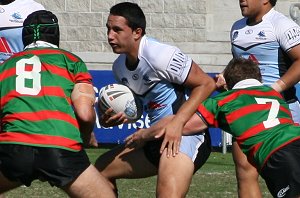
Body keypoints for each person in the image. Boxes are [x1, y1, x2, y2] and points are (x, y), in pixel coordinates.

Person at [127, 57, 300, 198]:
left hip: (278, 155)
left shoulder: (223, 101)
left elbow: (179, 124)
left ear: (228, 83)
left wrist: (144, 134)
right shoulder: (273, 93)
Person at [95, 2, 216, 197]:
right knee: (99, 171)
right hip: (153, 137)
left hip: (184, 135)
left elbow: (206, 84)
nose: (110, 36)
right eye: (108, 29)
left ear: (137, 32)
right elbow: (144, 106)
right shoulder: (118, 68)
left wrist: (177, 123)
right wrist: (122, 116)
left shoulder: (160, 55)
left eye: (117, 30)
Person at [0, 10, 115, 198]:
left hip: (14, 147)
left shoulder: (5, 67)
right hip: (60, 147)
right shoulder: (71, 61)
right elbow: (85, 114)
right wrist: (86, 137)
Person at [224, 0, 300, 197]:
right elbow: (239, 68)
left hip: (281, 112)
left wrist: (276, 88)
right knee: (244, 171)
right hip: (248, 114)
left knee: (291, 178)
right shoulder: (236, 28)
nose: (242, 0)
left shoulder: (282, 25)